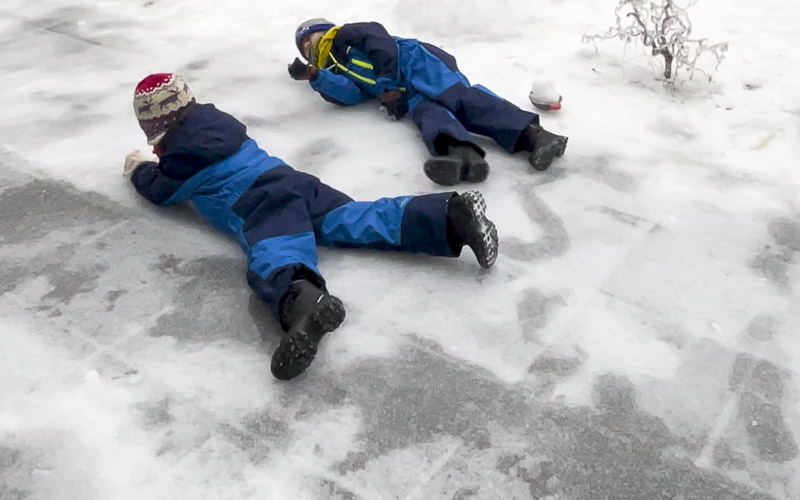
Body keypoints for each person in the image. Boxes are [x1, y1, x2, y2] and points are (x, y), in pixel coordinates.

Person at [124, 73, 499, 381]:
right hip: (293, 181)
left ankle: (303, 305)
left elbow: (160, 190)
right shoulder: (219, 126)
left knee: (276, 252)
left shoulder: (179, 162)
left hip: (258, 200)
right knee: (356, 218)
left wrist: (139, 167)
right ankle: (450, 215)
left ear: (157, 130)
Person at [288, 19, 568, 186]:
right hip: (402, 91)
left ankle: (537, 137)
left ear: (323, 30)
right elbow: (351, 94)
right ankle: (462, 154)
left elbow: (379, 41)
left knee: (460, 100)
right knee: (427, 114)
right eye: (305, 48)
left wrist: (388, 86)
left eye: (310, 39)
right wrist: (316, 77)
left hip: (416, 62)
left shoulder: (344, 35)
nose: (310, 47)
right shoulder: (332, 69)